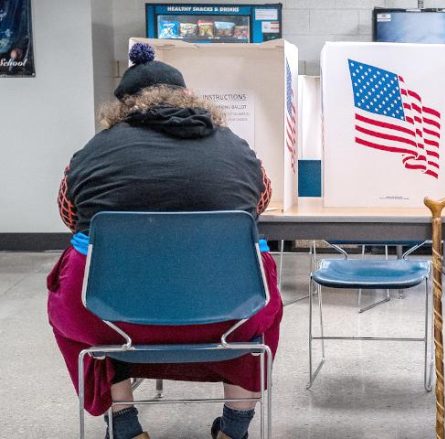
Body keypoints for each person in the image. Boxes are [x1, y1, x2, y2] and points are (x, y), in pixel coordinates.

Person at [48, 42, 281, 439]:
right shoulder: (238, 151)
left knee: (72, 279)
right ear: (188, 96)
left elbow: (70, 216)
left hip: (111, 317)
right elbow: (259, 203)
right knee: (264, 292)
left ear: (121, 107)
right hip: (228, 315)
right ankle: (234, 429)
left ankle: (124, 425)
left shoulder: (92, 153)